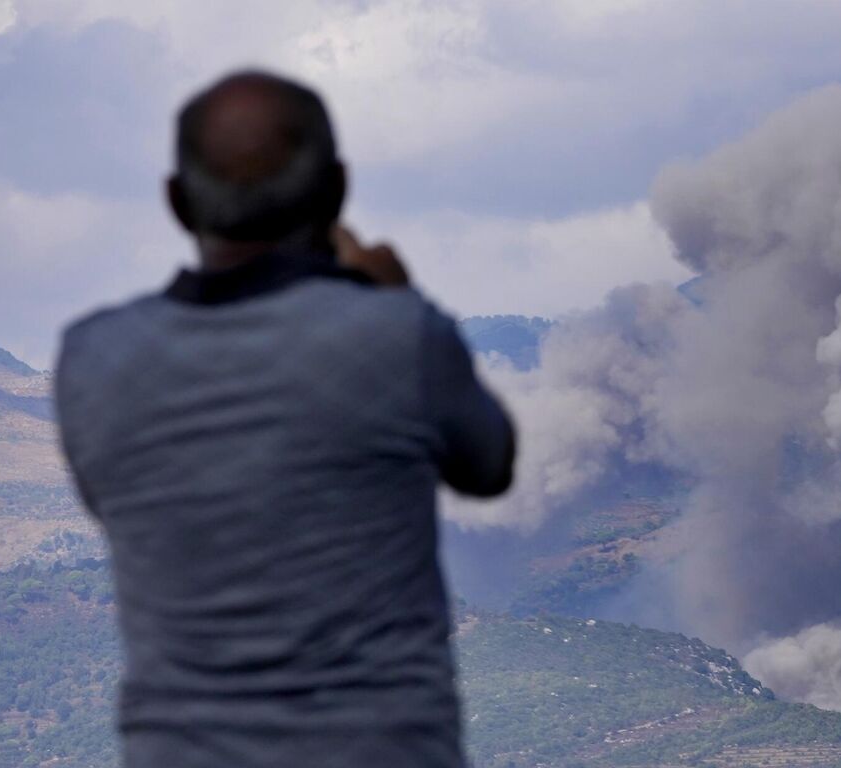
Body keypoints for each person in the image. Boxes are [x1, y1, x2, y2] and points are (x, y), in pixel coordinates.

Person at [54, 70, 515, 768]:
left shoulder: (94, 359)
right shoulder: (400, 336)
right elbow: (490, 465)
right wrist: (396, 295)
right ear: (336, 193)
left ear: (177, 203)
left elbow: (114, 500)